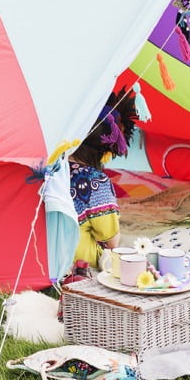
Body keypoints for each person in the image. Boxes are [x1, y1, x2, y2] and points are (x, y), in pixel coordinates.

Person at [68, 87, 139, 270]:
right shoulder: (95, 181)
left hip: (35, 257)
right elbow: (110, 240)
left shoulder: (48, 170)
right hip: (75, 262)